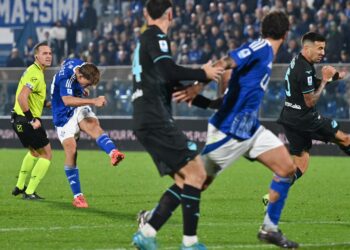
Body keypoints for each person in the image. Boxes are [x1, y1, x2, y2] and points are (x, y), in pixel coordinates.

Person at [141, 11, 301, 249]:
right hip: (229, 130)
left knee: (287, 168)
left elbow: (229, 69)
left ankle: (269, 228)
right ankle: (151, 220)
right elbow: (226, 62)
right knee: (196, 181)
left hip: (251, 129)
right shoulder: (261, 47)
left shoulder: (265, 52)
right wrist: (198, 86)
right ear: (286, 33)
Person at [131, 0, 223, 249]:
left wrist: (211, 104)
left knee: (186, 181)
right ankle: (190, 243)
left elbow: (173, 87)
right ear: (170, 13)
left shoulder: (143, 40)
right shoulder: (156, 36)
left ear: (146, 13)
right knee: (198, 174)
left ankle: (147, 233)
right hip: (154, 117)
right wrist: (203, 73)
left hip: (145, 118)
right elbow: (169, 71)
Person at [51, 58, 125, 208]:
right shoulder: (66, 78)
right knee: (71, 151)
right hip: (63, 113)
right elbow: (67, 100)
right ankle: (78, 197)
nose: (89, 86)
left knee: (92, 125)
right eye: (87, 83)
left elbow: (65, 61)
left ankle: (113, 153)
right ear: (79, 76)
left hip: (77, 105)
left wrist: (80, 89)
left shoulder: (80, 65)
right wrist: (93, 101)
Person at [277, 32, 348, 186]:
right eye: (319, 48)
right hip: (305, 118)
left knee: (301, 163)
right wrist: (324, 81)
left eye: (324, 48)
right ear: (307, 48)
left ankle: (274, 193)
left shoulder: (298, 61)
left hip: (289, 117)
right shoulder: (305, 69)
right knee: (345, 138)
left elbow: (307, 84)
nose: (323, 52)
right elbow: (310, 102)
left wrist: (332, 78)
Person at [11, 42, 53, 200]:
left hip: (17, 119)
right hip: (26, 120)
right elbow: (22, 97)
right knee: (46, 154)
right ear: (37, 56)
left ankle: (20, 185)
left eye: (50, 53)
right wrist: (32, 119)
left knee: (34, 152)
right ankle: (29, 192)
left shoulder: (33, 71)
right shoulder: (35, 73)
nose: (48, 56)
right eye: (44, 53)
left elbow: (32, 98)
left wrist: (49, 104)